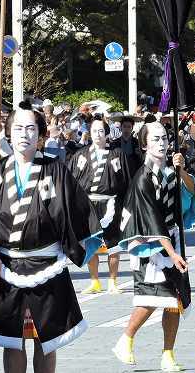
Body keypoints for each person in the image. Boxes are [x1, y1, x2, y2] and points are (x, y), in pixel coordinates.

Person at [0, 103, 102, 373]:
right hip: (7, 266)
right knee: (12, 341)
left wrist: (78, 243)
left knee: (46, 339)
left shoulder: (56, 170)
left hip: (48, 263)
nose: (24, 134)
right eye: (18, 128)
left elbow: (77, 210)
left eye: (31, 128)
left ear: (40, 135)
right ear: (7, 134)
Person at [111, 122, 195, 372]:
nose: (161, 143)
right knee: (151, 297)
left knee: (174, 299)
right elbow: (152, 221)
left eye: (164, 138)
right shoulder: (142, 179)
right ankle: (125, 338)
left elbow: (190, 192)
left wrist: (182, 170)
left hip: (169, 238)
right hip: (148, 244)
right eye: (156, 139)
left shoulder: (170, 172)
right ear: (144, 144)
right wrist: (172, 253)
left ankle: (167, 354)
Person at [67, 118, 133, 295]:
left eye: (101, 131)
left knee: (113, 244)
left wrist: (127, 205)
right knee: (90, 242)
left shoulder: (117, 154)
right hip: (88, 204)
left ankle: (113, 281)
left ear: (107, 133)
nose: (97, 134)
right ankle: (94, 281)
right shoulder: (80, 155)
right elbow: (71, 181)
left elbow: (126, 180)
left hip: (110, 202)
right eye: (94, 131)